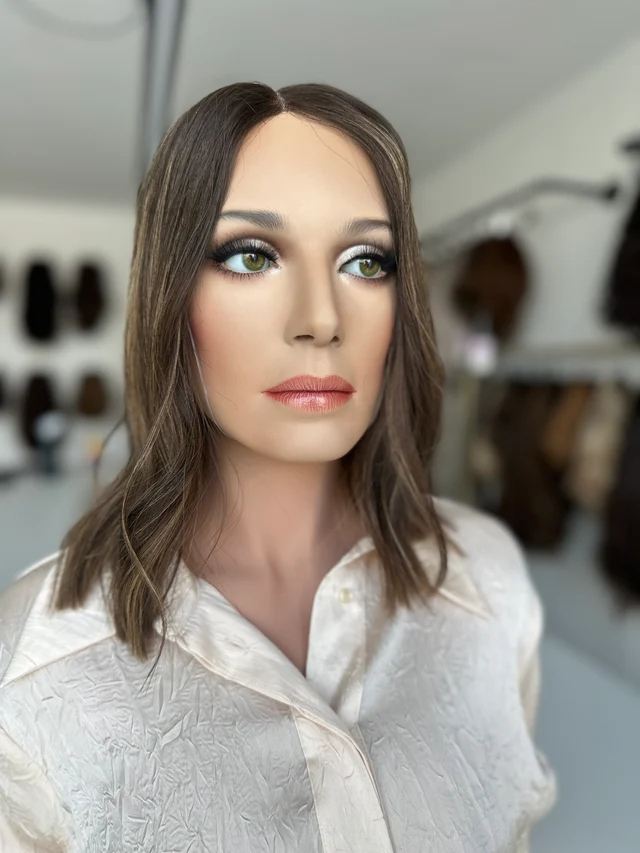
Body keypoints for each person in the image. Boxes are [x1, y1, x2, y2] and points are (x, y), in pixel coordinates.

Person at [0, 82, 557, 851]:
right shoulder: (35, 665)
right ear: (171, 297)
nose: (320, 320)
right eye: (251, 255)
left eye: (366, 261)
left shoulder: (488, 582)